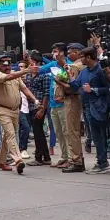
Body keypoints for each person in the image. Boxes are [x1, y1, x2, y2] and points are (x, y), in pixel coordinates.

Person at [62, 47, 109, 174]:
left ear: (88, 57)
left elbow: (107, 89)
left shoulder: (100, 71)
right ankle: (101, 161)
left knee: (100, 135)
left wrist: (93, 90)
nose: (80, 59)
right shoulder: (84, 72)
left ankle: (102, 163)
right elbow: (76, 85)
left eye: (82, 56)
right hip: (88, 107)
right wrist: (69, 76)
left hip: (99, 107)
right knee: (95, 136)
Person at [0, 55, 41, 175]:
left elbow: (24, 89)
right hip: (2, 110)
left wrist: (35, 100)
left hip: (15, 110)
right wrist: (25, 70)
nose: (7, 67)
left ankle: (1, 161)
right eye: (4, 65)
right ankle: (18, 160)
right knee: (11, 134)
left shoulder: (16, 74)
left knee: (6, 137)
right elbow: (9, 77)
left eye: (8, 64)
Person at [57, 43, 86, 173]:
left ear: (78, 52)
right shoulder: (84, 65)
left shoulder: (75, 66)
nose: (69, 55)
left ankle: (76, 160)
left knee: (72, 131)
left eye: (71, 53)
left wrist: (58, 82)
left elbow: (71, 85)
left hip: (72, 99)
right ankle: (78, 159)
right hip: (80, 99)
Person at [24, 52, 52, 166]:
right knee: (38, 131)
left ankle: (39, 157)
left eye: (31, 60)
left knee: (38, 132)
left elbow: (46, 93)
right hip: (31, 106)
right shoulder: (29, 75)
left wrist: (42, 109)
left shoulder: (44, 75)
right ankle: (46, 157)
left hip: (40, 106)